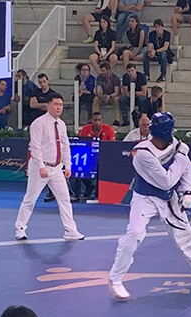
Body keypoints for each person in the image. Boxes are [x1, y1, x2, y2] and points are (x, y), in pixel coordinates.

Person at [108, 112, 191, 300]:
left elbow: (187, 169)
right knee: (135, 233)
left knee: (186, 234)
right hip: (145, 197)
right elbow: (166, 181)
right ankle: (115, 279)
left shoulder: (175, 145)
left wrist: (187, 192)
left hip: (168, 198)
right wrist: (180, 156)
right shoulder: (142, 154)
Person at [14, 94, 85, 241]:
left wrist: (68, 165)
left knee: (64, 199)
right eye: (56, 104)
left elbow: (65, 146)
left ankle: (70, 230)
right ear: (48, 105)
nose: (59, 107)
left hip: (57, 167)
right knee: (30, 198)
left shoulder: (62, 124)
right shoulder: (38, 123)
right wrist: (41, 166)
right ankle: (20, 228)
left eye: (61, 105)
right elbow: (35, 146)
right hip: (40, 167)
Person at [93, 62, 121, 126]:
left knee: (116, 99)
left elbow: (116, 92)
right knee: (96, 99)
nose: (101, 72)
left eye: (103, 70)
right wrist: (102, 96)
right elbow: (98, 91)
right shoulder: (100, 78)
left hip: (112, 97)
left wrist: (109, 96)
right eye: (101, 70)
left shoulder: (115, 78)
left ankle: (117, 119)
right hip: (103, 97)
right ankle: (95, 118)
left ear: (108, 70)